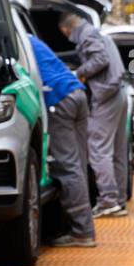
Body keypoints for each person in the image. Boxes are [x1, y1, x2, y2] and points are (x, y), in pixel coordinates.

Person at [29, 34, 96, 247]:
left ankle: (82, 232)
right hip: (76, 92)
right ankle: (82, 227)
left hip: (59, 98)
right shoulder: (31, 37)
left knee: (67, 166)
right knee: (78, 164)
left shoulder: (14, 36)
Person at [60, 11, 129, 218]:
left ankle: (108, 200)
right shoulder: (98, 32)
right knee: (117, 151)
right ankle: (118, 200)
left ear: (66, 29)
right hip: (118, 93)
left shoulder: (86, 34)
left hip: (106, 95)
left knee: (98, 150)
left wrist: (79, 73)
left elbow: (100, 59)